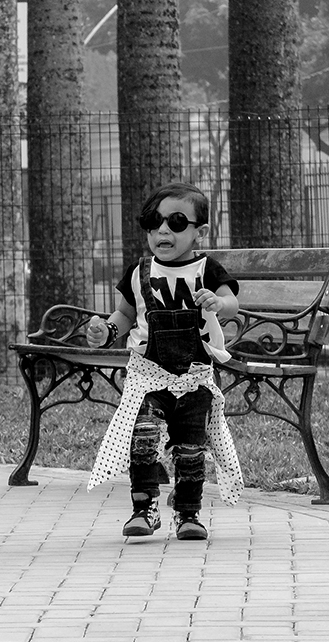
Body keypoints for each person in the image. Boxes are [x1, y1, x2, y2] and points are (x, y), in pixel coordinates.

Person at [85, 181, 244, 540]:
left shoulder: (207, 269)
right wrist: (107, 331)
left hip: (194, 377)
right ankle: (144, 509)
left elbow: (232, 303)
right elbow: (125, 315)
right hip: (148, 376)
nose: (162, 231)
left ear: (200, 232)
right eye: (153, 223)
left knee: (191, 449)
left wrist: (219, 303)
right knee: (142, 439)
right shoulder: (139, 272)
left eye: (176, 222)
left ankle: (188, 514)